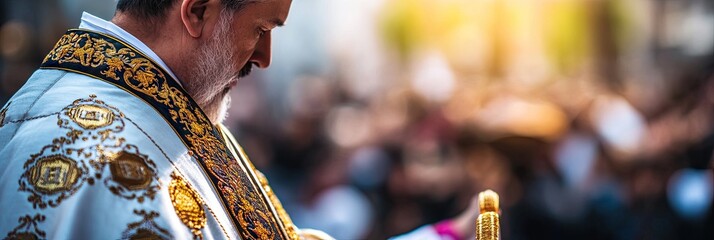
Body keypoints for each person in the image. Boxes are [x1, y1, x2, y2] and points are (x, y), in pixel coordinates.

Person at [0, 0, 484, 239]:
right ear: (198, 11)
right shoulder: (111, 164)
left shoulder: (158, 108)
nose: (267, 57)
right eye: (262, 28)